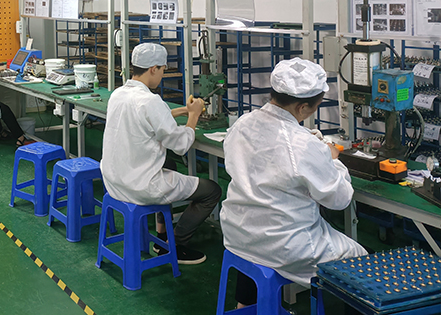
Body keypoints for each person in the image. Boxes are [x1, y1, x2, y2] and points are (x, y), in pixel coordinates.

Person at [220, 58, 367, 308]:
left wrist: (309, 141)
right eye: (314, 107)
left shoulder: (243, 123)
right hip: (286, 245)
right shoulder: (303, 145)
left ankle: (245, 306)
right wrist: (333, 160)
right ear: (302, 107)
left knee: (258, 235)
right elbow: (339, 199)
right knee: (359, 256)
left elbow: (269, 155)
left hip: (239, 231)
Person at [101, 43, 220, 265]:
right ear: (153, 69)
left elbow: (151, 117)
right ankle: (175, 246)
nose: (163, 75)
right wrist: (193, 117)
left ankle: (162, 234)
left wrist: (185, 110)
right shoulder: (150, 101)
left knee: (170, 166)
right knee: (212, 190)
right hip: (140, 186)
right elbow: (181, 144)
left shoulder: (119, 94)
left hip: (114, 180)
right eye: (163, 70)